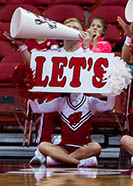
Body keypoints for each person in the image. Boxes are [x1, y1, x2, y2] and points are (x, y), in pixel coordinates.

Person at [4, 18, 93, 165]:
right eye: (67, 26)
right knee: (47, 104)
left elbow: (92, 71)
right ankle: (41, 150)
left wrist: (86, 46)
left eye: (75, 27)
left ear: (81, 32)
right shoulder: (52, 52)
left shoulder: (86, 51)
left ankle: (74, 150)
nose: (71, 29)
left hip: (79, 98)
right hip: (56, 97)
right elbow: (34, 65)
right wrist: (21, 46)